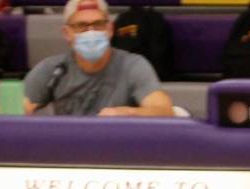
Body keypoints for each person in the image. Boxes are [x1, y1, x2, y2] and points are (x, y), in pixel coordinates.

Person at [22, 0, 173, 117]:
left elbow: (164, 111)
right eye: (81, 26)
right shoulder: (52, 69)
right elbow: (13, 111)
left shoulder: (133, 65)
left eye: (98, 24)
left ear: (110, 30)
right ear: (67, 34)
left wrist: (126, 112)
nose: (91, 32)